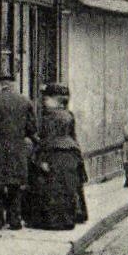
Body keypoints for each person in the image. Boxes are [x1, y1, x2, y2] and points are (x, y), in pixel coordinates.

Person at [0, 73, 39, 230]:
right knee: (15, 186)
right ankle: (15, 220)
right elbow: (32, 129)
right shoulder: (25, 101)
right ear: (12, 84)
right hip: (18, 149)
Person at [28, 84, 88, 230]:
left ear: (55, 100)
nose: (44, 101)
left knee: (53, 188)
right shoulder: (69, 115)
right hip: (71, 153)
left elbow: (47, 139)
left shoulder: (50, 117)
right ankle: (68, 219)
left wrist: (41, 159)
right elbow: (73, 137)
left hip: (54, 153)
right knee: (67, 188)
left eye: (46, 99)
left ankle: (53, 222)